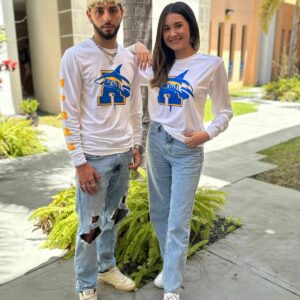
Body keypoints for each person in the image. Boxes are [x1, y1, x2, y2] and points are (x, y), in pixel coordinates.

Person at [132, 2, 233, 300]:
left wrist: (207, 132)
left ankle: (172, 289)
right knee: (160, 214)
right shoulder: (154, 65)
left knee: (178, 220)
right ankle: (170, 267)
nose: (172, 33)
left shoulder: (211, 65)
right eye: (166, 28)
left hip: (187, 149)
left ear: (190, 28)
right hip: (157, 143)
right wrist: (137, 43)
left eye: (178, 26)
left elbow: (224, 111)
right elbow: (118, 59)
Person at [59, 1, 143, 299]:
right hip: (93, 159)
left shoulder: (129, 58)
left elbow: (135, 105)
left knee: (113, 218)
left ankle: (107, 269)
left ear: (122, 13)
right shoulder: (75, 56)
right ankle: (85, 284)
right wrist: (79, 162)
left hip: (123, 155)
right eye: (100, 11)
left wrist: (136, 143)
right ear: (89, 15)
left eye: (112, 10)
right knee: (89, 227)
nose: (106, 18)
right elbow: (67, 112)